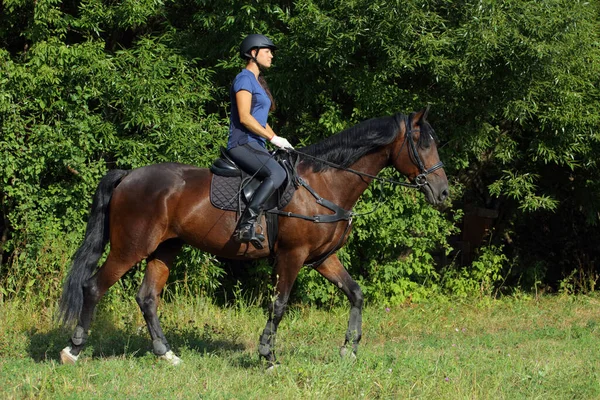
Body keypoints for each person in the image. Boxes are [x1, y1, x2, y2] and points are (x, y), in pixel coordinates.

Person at [227, 34, 293, 248]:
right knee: (278, 172)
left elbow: (260, 121)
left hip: (256, 144)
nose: (272, 56)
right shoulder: (244, 78)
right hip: (242, 143)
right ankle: (246, 224)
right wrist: (272, 137)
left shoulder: (256, 82)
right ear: (253, 53)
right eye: (268, 51)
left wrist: (278, 141)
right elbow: (245, 118)